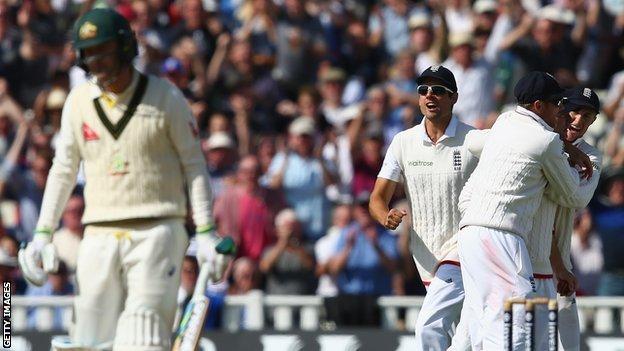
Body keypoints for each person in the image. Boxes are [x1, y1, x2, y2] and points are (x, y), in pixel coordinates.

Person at [17, 8, 232, 350]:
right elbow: (63, 170)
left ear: (125, 48)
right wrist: (43, 234)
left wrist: (205, 232)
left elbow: (194, 165)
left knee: (141, 333)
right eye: (90, 55)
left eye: (104, 52)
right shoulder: (78, 102)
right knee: (86, 340)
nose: (98, 63)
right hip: (98, 233)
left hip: (157, 230)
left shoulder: (166, 97)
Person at [463, 86, 603, 350]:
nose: (578, 121)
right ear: (559, 110)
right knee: (473, 340)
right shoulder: (528, 138)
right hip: (506, 255)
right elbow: (471, 141)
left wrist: (546, 163)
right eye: (574, 112)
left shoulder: (591, 155)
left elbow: (578, 198)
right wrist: (554, 155)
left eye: (588, 117)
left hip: (552, 273)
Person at [369, 65, 478, 350]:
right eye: (423, 90)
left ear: (454, 98)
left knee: (428, 327)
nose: (430, 95)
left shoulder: (474, 139)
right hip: (426, 254)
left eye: (439, 90)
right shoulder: (403, 142)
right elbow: (378, 198)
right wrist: (385, 216)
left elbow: (519, 146)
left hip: (464, 248)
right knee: (464, 340)